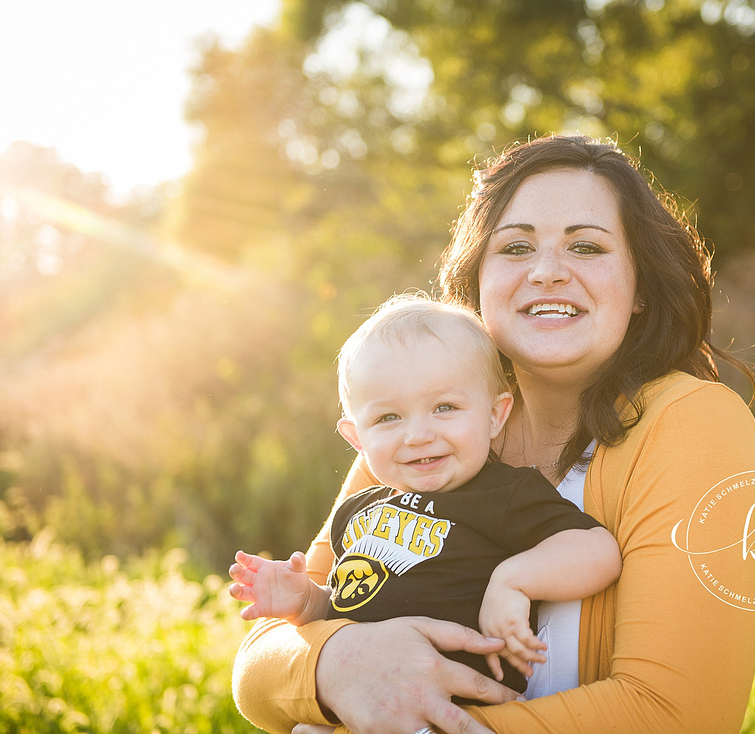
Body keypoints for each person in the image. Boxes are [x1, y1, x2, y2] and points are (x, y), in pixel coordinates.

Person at [232, 134, 755, 734]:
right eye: (515, 247)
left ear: (641, 286)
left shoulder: (693, 422)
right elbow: (259, 670)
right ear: (479, 282)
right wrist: (338, 659)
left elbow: (680, 715)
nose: (546, 272)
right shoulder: (425, 434)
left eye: (586, 246)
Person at [227, 296, 622, 696]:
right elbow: (352, 601)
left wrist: (513, 581)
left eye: (444, 407)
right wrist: (307, 600)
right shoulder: (357, 512)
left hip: (456, 706)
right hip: (362, 701)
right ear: (357, 439)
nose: (418, 435)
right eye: (389, 418)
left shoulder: (504, 493)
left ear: (495, 415)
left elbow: (598, 550)